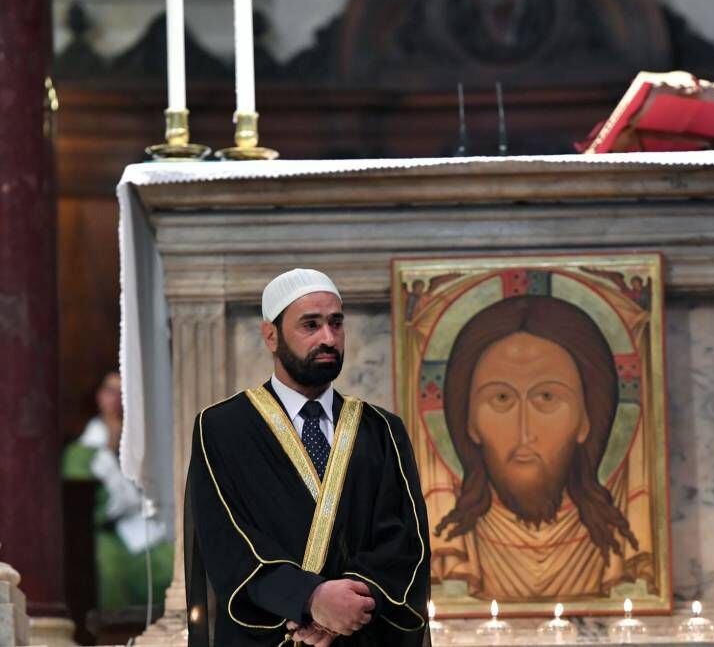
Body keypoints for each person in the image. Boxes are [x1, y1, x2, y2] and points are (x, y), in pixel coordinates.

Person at [185, 268, 430, 647]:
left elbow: (404, 543)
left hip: (361, 634)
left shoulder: (382, 430)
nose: (328, 338)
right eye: (310, 325)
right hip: (270, 637)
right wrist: (309, 600)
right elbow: (227, 542)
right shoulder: (222, 428)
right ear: (271, 336)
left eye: (336, 323)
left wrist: (344, 607)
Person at [433, 295, 643, 599]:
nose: (524, 431)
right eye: (501, 399)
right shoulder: (452, 551)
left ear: (587, 419)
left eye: (547, 397)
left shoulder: (619, 550)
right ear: (468, 422)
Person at [62, 372, 173, 611]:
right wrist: (108, 449)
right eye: (111, 391)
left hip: (142, 531)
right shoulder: (82, 451)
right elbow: (79, 501)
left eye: (124, 393)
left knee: (174, 568)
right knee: (106, 574)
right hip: (103, 535)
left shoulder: (144, 446)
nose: (117, 399)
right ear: (99, 397)